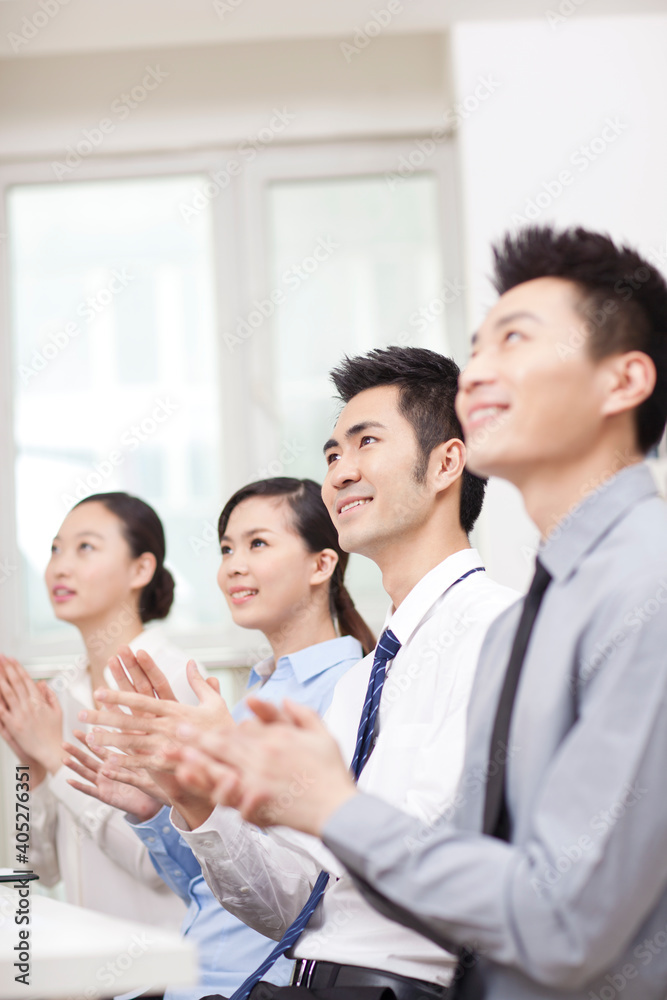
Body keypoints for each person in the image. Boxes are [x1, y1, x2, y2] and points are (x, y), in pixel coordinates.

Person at [181, 226, 667, 1000]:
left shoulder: (643, 584)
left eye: (515, 340)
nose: (477, 374)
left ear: (621, 382)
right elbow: (323, 905)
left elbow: (562, 920)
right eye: (477, 348)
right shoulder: (532, 619)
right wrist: (205, 793)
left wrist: (333, 807)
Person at [82, 347, 518, 999]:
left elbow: (462, 879)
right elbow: (292, 910)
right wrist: (194, 797)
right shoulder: (361, 682)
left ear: (447, 463)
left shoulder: (501, 633)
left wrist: (326, 804)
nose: (339, 473)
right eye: (331, 455)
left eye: (365, 443)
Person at [65, 477, 372, 1000]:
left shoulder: (349, 692)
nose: (232, 565)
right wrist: (158, 810)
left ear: (322, 565)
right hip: (188, 979)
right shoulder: (252, 694)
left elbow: (306, 898)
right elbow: (204, 885)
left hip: (244, 988)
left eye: (257, 543)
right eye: (226, 548)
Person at [0, 491, 197, 928]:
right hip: (90, 975)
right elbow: (42, 867)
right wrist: (30, 768)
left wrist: (54, 755)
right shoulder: (58, 695)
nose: (59, 566)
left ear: (141, 569)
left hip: (164, 980)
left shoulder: (175, 682)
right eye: (55, 549)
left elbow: (158, 864)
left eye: (85, 547)